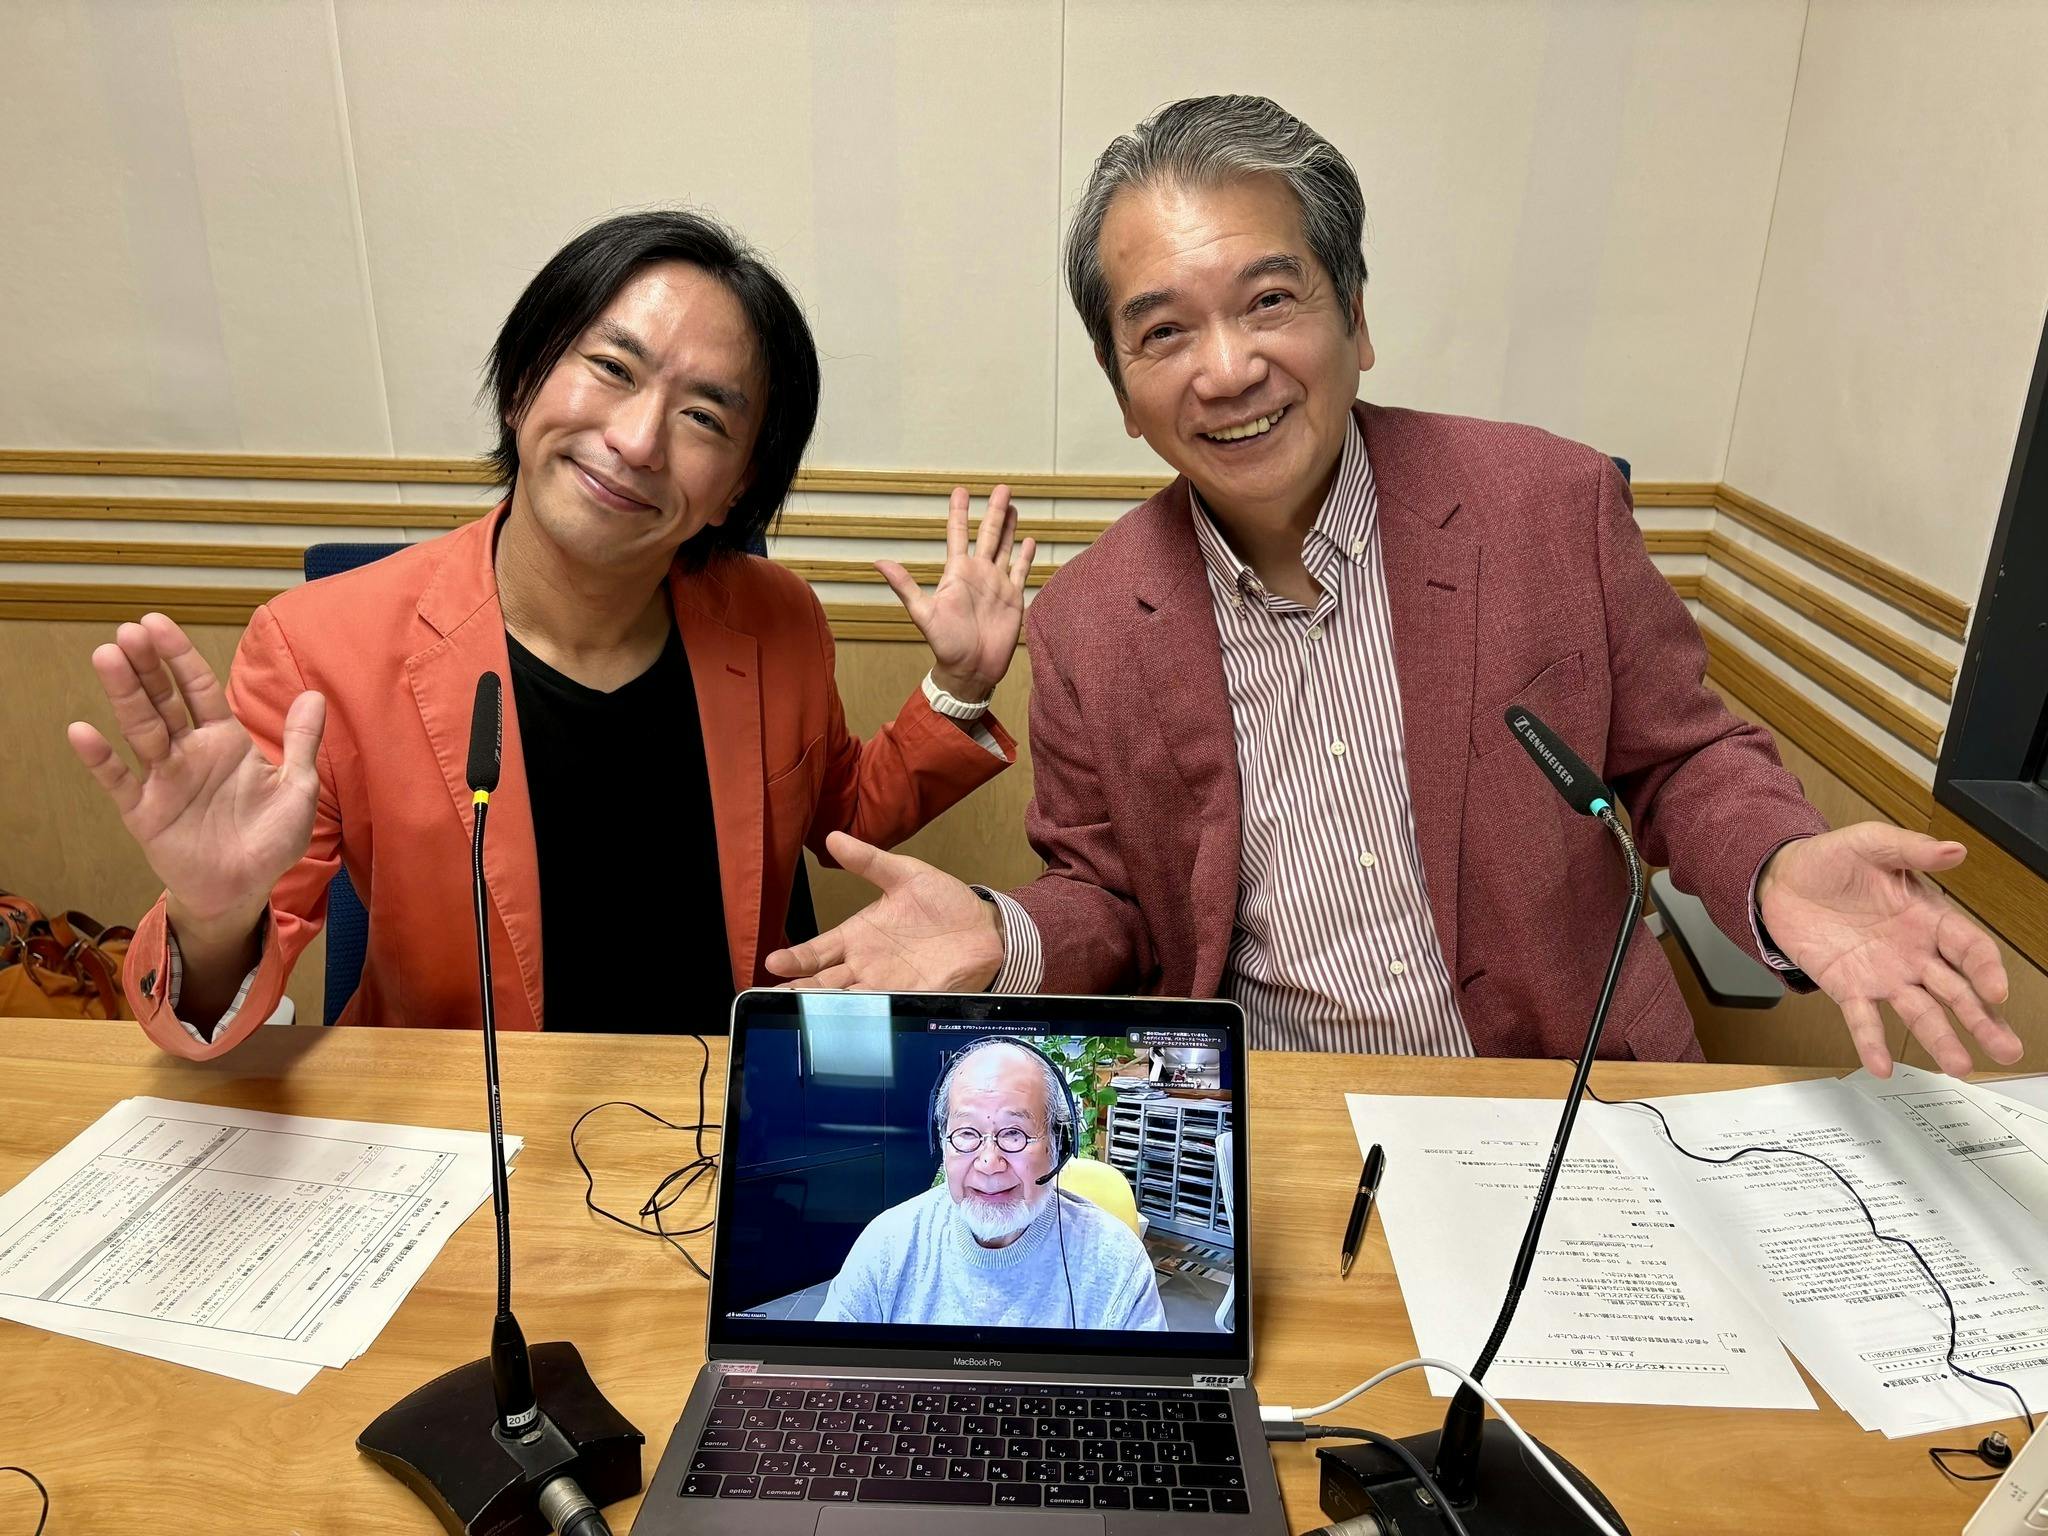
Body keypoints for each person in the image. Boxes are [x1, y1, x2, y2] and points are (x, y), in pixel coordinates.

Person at [768, 96, 2020, 1078]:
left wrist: (1773, 864)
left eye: (1269, 300)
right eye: (1163, 332)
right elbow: (1112, 902)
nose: (1225, 369)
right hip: (1276, 1109)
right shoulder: (1093, 619)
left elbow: (1678, 760)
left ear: (1354, 320)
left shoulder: (1548, 503)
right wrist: (1006, 936)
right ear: (1123, 392)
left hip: (1558, 1092)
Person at [70, 209, 1035, 1058]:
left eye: (704, 416)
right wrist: (213, 916)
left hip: (717, 1113)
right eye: (612, 369)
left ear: (738, 487)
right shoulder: (318, 645)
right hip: (464, 1129)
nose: (637, 440)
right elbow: (221, 1003)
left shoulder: (774, 615)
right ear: (524, 380)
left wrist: (958, 686)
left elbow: (839, 815)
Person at [816, 1037, 1165, 1330]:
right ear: (942, 1144)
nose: (988, 1163)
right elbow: (826, 1371)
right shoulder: (886, 1245)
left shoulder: (1116, 1262)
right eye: (967, 1133)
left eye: (1014, 1133)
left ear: (1058, 1144)